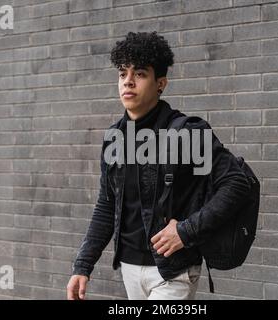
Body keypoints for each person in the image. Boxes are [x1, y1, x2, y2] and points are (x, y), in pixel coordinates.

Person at [67, 31, 250, 300]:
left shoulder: (186, 133)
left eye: (139, 74)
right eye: (122, 74)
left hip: (171, 272)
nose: (128, 81)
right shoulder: (114, 139)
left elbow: (237, 183)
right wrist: (83, 265)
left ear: (160, 83)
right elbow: (106, 205)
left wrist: (186, 231)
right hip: (129, 268)